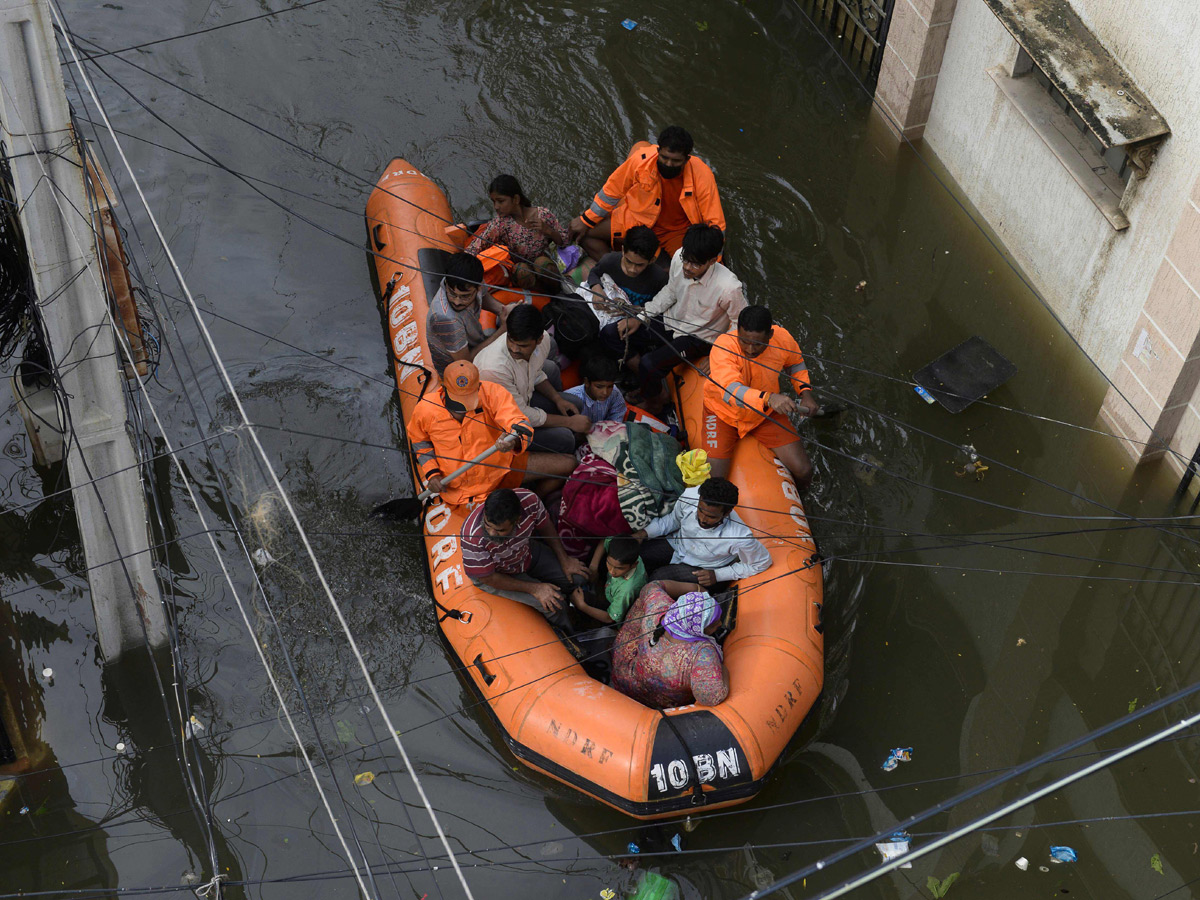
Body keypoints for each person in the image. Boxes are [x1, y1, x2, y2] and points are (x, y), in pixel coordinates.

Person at [409, 360, 573, 503]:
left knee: (570, 464)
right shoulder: (425, 409)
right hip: (458, 486)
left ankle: (535, 498)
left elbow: (519, 422)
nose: (463, 410)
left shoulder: (493, 393)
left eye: (467, 401)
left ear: (478, 386)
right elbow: (419, 441)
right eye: (457, 402)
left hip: (501, 469)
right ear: (443, 388)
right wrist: (432, 473)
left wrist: (512, 441)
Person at [568, 126, 726, 263]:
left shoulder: (702, 173)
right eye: (664, 158)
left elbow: (715, 222)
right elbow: (611, 191)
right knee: (584, 234)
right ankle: (617, 268)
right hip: (638, 219)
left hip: (677, 231)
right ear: (658, 151)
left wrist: (713, 261)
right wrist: (586, 220)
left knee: (693, 268)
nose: (668, 164)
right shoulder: (641, 160)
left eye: (675, 161)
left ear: (686, 160)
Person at [704, 305, 819, 489]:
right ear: (737, 332)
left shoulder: (782, 338)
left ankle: (801, 502)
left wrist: (805, 393)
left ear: (770, 335)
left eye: (758, 344)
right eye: (744, 342)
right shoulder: (724, 346)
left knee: (804, 470)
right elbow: (731, 390)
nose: (750, 349)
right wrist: (769, 398)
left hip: (764, 414)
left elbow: (795, 364)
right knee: (714, 482)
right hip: (723, 414)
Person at [628, 224, 746, 400]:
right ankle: (644, 379)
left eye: (696, 264)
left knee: (649, 364)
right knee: (616, 334)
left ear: (713, 260)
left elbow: (740, 324)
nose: (688, 267)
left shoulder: (729, 287)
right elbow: (670, 291)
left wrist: (718, 354)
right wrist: (642, 316)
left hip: (697, 338)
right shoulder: (678, 257)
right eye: (686, 259)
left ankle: (653, 401)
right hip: (671, 320)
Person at [461, 487, 590, 629]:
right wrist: (535, 589)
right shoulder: (471, 536)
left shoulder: (530, 501)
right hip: (497, 574)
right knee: (554, 604)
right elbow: (488, 578)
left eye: (500, 530)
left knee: (578, 577)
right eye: (487, 525)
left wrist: (564, 560)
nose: (492, 533)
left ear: (516, 520)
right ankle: (571, 634)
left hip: (524, 552)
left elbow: (545, 526)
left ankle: (582, 607)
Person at [475, 304, 591, 454]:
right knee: (566, 438)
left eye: (522, 346)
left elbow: (535, 374)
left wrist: (557, 399)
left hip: (522, 398)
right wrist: (569, 423)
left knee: (574, 404)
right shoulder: (494, 369)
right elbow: (521, 413)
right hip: (500, 424)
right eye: (511, 341)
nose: (515, 349)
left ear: (539, 339)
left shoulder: (544, 342)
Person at [632, 477, 770, 590]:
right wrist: (644, 533)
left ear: (727, 513)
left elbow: (761, 563)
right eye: (700, 510)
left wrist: (718, 575)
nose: (703, 519)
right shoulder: (690, 496)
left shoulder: (739, 536)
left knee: (658, 578)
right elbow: (673, 520)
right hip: (677, 545)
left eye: (711, 517)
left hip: (702, 567)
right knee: (637, 555)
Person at [611, 584, 730, 708]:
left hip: (626, 679)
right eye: (714, 624)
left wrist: (695, 588)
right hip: (659, 706)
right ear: (699, 628)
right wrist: (723, 669)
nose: (720, 624)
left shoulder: (658, 609)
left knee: (639, 610)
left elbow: (651, 586)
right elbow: (711, 697)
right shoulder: (701, 653)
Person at [580, 226, 669, 360]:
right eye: (629, 261)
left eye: (640, 265)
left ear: (651, 261)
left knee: (610, 333)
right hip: (613, 314)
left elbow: (663, 306)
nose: (632, 269)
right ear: (622, 251)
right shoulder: (610, 261)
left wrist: (639, 317)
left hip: (641, 320)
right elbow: (594, 273)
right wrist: (596, 288)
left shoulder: (659, 278)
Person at [467, 175, 569, 291]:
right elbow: (476, 246)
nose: (496, 207)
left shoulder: (543, 215)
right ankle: (540, 298)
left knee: (542, 263)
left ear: (516, 199)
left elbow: (564, 241)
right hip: (521, 274)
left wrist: (548, 230)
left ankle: (556, 292)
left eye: (501, 201)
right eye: (494, 202)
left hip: (545, 269)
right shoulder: (500, 224)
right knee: (522, 270)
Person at [426, 252, 511, 374]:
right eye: (452, 293)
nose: (457, 302)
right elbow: (465, 362)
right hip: (459, 369)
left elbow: (483, 296)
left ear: (478, 287)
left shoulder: (475, 283)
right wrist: (502, 330)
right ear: (446, 283)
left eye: (465, 296)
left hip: (476, 344)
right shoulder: (446, 319)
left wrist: (503, 310)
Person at [572, 535, 647, 625]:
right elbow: (604, 541)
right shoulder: (620, 549)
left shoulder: (627, 590)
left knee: (584, 599)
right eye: (609, 563)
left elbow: (610, 618)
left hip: (612, 605)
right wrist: (593, 567)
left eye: (619, 568)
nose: (612, 571)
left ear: (634, 565)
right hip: (609, 587)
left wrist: (582, 606)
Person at [562, 354, 627, 425]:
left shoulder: (615, 392)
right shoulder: (571, 398)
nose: (605, 392)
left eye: (609, 386)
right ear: (587, 382)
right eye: (599, 387)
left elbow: (617, 417)